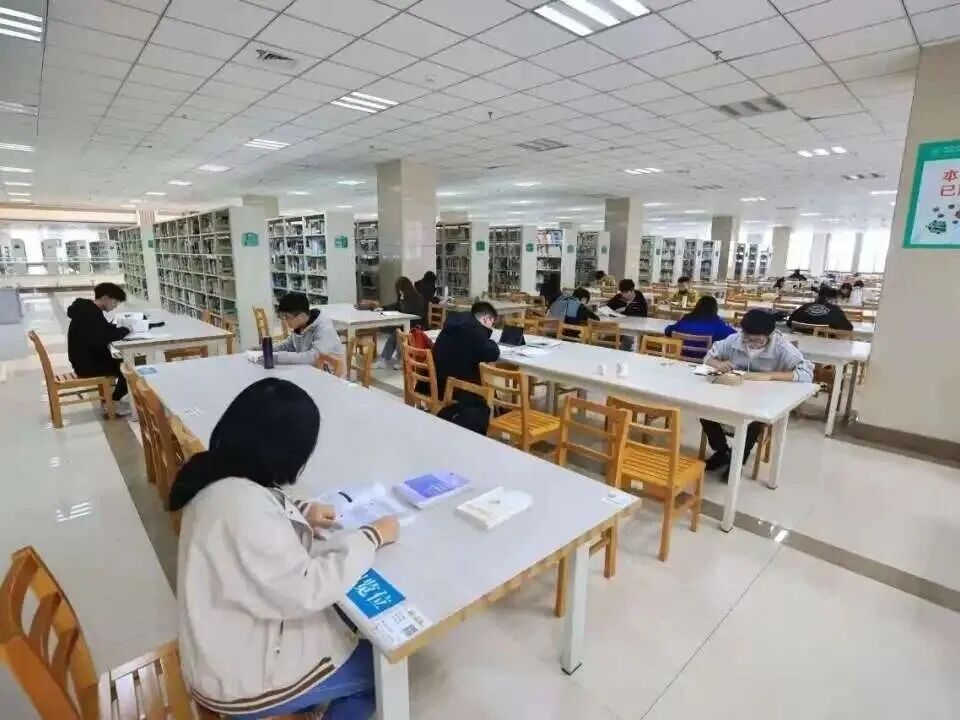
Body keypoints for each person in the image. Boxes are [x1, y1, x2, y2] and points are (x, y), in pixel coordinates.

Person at [171, 378, 398, 719]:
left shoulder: (216, 473)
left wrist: (301, 510)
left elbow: (260, 504)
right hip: (240, 678)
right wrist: (372, 536)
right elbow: (304, 589)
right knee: (379, 674)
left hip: (222, 641)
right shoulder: (242, 507)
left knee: (345, 628)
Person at [700, 309, 814, 473]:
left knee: (753, 419)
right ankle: (722, 450)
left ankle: (738, 459)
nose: (750, 343)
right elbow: (708, 357)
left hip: (763, 399)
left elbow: (806, 374)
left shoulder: (782, 348)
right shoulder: (735, 340)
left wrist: (770, 376)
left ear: (770, 335)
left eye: (757, 340)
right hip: (733, 394)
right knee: (705, 410)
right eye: (747, 338)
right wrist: (718, 364)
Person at [67, 282, 132, 415]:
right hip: (87, 365)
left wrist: (115, 329)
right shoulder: (91, 314)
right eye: (115, 302)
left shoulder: (87, 310)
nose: (115, 306)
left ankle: (112, 401)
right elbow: (103, 338)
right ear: (105, 298)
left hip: (84, 360)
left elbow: (100, 330)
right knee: (130, 369)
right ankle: (112, 402)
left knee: (125, 363)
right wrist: (125, 330)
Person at [432, 300, 500, 402]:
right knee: (486, 380)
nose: (491, 328)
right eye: (492, 323)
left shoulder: (453, 322)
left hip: (438, 384)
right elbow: (493, 353)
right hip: (458, 391)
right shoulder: (474, 329)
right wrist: (490, 340)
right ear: (487, 319)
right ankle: (495, 407)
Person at [274, 292, 344, 366]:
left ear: (301, 316)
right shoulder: (300, 325)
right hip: (309, 368)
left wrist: (278, 357)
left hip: (329, 371)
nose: (284, 321)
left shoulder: (325, 328)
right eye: (283, 317)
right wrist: (269, 350)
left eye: (287, 317)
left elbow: (312, 358)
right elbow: (289, 345)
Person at [376, 276, 426, 369]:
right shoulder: (404, 297)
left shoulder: (418, 298)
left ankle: (397, 359)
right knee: (396, 332)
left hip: (417, 325)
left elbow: (412, 313)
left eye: (400, 290)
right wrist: (383, 308)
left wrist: (403, 301)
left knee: (397, 334)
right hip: (406, 324)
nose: (399, 292)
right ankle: (393, 358)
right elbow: (396, 306)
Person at [664, 296, 735, 359]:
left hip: (681, 361)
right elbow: (735, 337)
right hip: (705, 364)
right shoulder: (718, 326)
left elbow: (668, 331)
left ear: (697, 307)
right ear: (715, 309)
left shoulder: (685, 320)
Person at [787, 285, 853, 332]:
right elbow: (848, 327)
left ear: (818, 296)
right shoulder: (835, 310)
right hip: (825, 344)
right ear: (830, 299)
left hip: (800, 344)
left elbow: (789, 322)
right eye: (835, 300)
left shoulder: (804, 307)